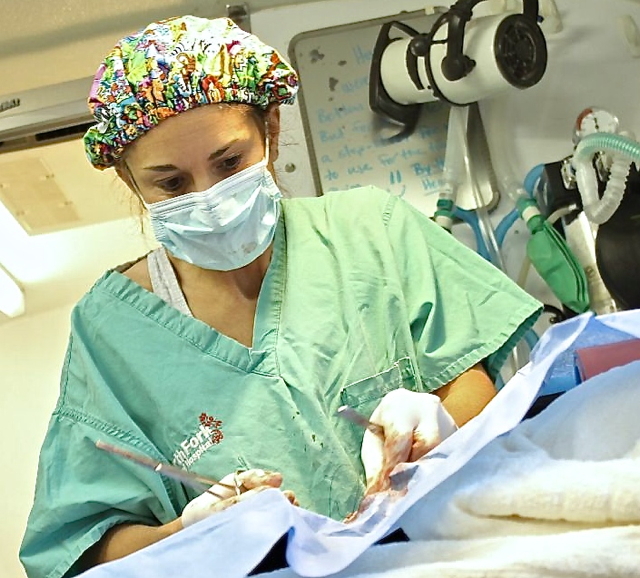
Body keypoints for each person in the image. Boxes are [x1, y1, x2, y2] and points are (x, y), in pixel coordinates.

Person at [20, 15, 542, 578]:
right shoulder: (111, 334)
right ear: (130, 182)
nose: (210, 199)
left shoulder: (372, 230)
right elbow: (82, 551)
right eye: (171, 184)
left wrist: (440, 421)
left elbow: (471, 379)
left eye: (229, 163)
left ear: (270, 129)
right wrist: (188, 533)